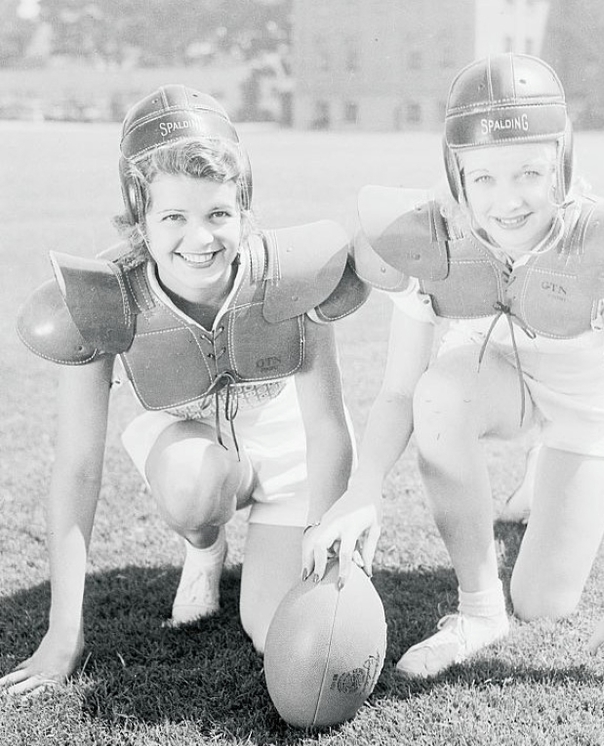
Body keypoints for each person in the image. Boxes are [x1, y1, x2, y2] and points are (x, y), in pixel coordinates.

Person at [302, 54, 604, 696]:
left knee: (544, 600)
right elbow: (401, 390)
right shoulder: (437, 239)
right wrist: (362, 489)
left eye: (530, 173)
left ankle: (549, 472)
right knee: (438, 394)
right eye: (482, 176)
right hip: (496, 376)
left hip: (583, 411)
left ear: (562, 165)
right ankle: (479, 610)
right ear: (456, 175)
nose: (507, 200)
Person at [1, 85, 368, 695]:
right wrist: (63, 632)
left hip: (288, 452)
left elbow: (327, 427)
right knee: (197, 487)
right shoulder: (103, 297)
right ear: (138, 218)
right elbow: (77, 467)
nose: (200, 239)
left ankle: (270, 561)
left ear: (244, 210)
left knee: (282, 631)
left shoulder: (290, 277)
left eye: (218, 215)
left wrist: (323, 547)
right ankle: (206, 546)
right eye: (173, 217)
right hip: (191, 452)